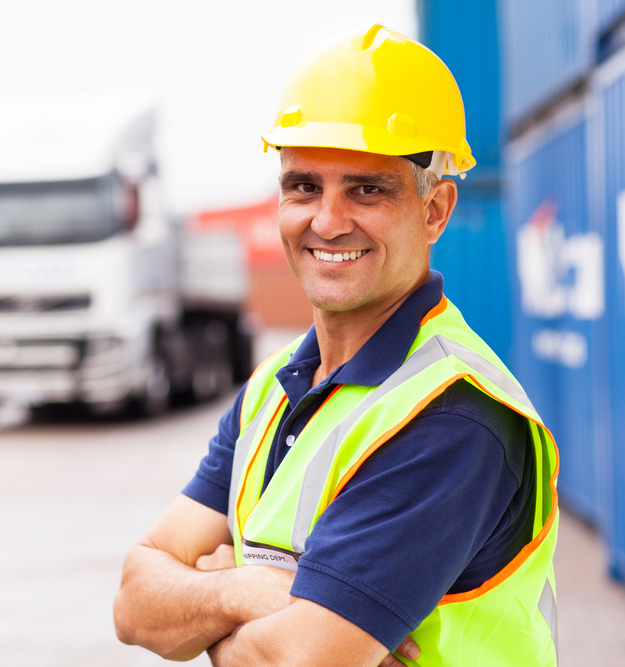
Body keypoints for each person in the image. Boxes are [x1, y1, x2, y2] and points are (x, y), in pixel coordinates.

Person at [113, 24, 559, 667]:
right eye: (303, 186)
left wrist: (205, 593)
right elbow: (133, 601)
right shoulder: (271, 389)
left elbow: (294, 662)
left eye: (367, 189)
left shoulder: (453, 414)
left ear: (435, 210)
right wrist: (246, 589)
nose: (326, 221)